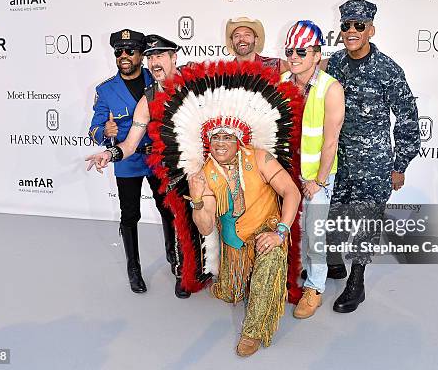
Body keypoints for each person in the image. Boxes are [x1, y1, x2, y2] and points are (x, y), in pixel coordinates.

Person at [86, 61, 304, 356]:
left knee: (270, 259)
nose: (221, 143)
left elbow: (291, 191)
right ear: (207, 142)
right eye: (215, 138)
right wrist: (199, 198)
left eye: (228, 137)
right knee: (229, 293)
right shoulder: (203, 174)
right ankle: (242, 281)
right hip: (234, 246)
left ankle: (253, 331)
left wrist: (281, 231)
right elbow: (205, 227)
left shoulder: (260, 157)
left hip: (268, 232)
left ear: (239, 140)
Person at [325, 0, 420, 313]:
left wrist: (400, 165)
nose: (351, 31)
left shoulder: (387, 70)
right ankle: (334, 264)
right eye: (346, 25)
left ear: (371, 30)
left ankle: (357, 280)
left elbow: (407, 116)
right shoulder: (335, 64)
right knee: (335, 215)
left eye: (359, 25)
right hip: (339, 159)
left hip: (374, 161)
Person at [281, 20, 345, 319]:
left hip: (315, 176)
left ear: (316, 55)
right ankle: (284, 277)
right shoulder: (280, 82)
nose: (293, 56)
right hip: (284, 172)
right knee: (286, 226)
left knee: (315, 233)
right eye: (290, 50)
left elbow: (331, 140)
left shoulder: (330, 88)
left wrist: (318, 181)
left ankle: (315, 286)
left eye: (301, 51)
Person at [88, 29, 154, 294]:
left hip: (158, 158)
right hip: (127, 161)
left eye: (130, 51)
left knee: (168, 210)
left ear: (141, 54)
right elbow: (93, 130)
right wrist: (106, 131)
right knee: (130, 214)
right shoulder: (105, 90)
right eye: (119, 52)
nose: (124, 56)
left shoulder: (157, 78)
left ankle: (176, 260)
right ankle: (134, 268)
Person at [141, 33, 191, 298]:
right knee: (178, 217)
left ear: (174, 57)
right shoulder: (148, 96)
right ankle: (182, 273)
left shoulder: (195, 83)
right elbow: (132, 138)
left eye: (159, 55)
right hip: (171, 170)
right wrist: (112, 153)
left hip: (202, 164)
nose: (154, 62)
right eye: (150, 57)